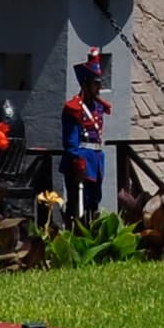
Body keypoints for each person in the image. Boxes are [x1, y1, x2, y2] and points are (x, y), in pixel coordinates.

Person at [61, 52, 112, 218]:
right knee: (77, 205)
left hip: (96, 161)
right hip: (80, 160)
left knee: (94, 202)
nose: (98, 87)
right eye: (95, 83)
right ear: (85, 85)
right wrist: (76, 160)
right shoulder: (74, 108)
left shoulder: (98, 106)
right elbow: (70, 140)